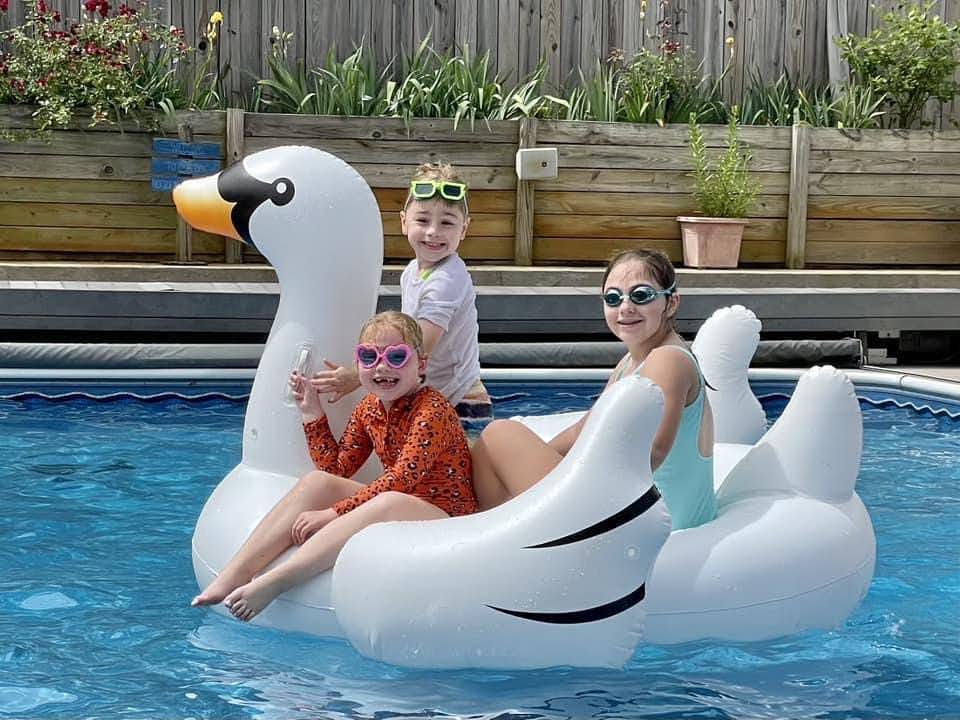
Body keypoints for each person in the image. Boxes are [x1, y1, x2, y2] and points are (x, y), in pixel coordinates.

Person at [191, 311, 477, 620]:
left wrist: (334, 513)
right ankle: (235, 572)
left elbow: (401, 479)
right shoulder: (370, 409)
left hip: (447, 515)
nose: (382, 367)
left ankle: (279, 580)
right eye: (369, 356)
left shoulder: (431, 410)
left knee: (390, 500)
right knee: (317, 482)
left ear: (420, 364)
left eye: (397, 357)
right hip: (404, 501)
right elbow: (336, 469)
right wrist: (312, 413)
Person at [470, 249, 716, 531]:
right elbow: (582, 430)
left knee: (500, 435)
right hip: (635, 507)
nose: (625, 307)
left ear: (671, 303)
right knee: (495, 448)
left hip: (653, 524)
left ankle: (492, 532)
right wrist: (534, 461)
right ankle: (495, 529)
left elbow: (651, 454)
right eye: (613, 298)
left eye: (641, 295)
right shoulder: (631, 361)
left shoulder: (668, 360)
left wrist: (568, 479)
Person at [311, 162, 492, 418]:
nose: (433, 231)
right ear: (404, 222)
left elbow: (420, 345)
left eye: (447, 223)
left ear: (463, 230)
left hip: (462, 403)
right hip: (432, 395)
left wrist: (357, 375)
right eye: (423, 220)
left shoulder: (447, 279)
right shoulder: (411, 271)